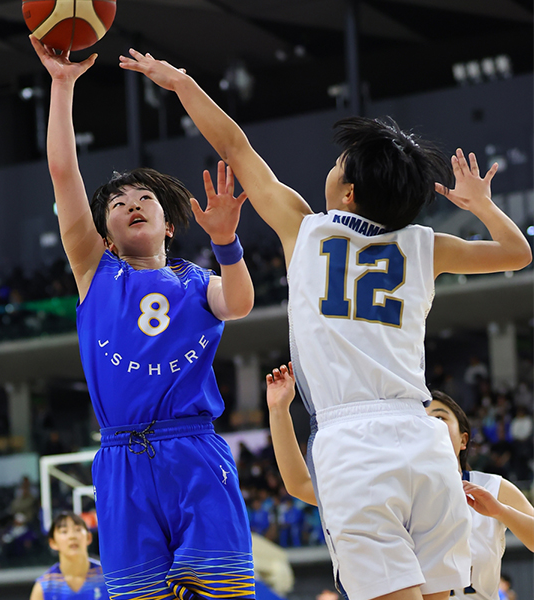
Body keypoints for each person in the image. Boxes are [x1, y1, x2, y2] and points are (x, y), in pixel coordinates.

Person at [121, 49, 532, 600]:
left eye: (340, 163)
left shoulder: (305, 230)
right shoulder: (425, 245)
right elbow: (516, 252)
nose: (332, 165)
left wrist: (182, 83)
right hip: (422, 435)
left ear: (351, 192)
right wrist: (481, 203)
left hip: (353, 441)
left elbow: (236, 148)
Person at [30, 35, 255, 600]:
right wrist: (61, 87)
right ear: (104, 231)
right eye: (118, 201)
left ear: (170, 224)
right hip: (121, 458)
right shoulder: (95, 270)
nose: (131, 202)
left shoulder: (199, 281)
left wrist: (227, 243)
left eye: (144, 199)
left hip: (194, 449)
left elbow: (241, 303)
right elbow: (63, 174)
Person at [264, 364, 534, 600]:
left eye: (438, 417)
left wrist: (500, 511)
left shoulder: (493, 488)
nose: (426, 427)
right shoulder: (378, 485)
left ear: (464, 439)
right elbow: (299, 484)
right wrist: (278, 411)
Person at [30, 512, 109, 600]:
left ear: (89, 537)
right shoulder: (43, 586)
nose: (72, 536)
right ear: (52, 542)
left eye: (78, 529)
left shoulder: (108, 577)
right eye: (64, 531)